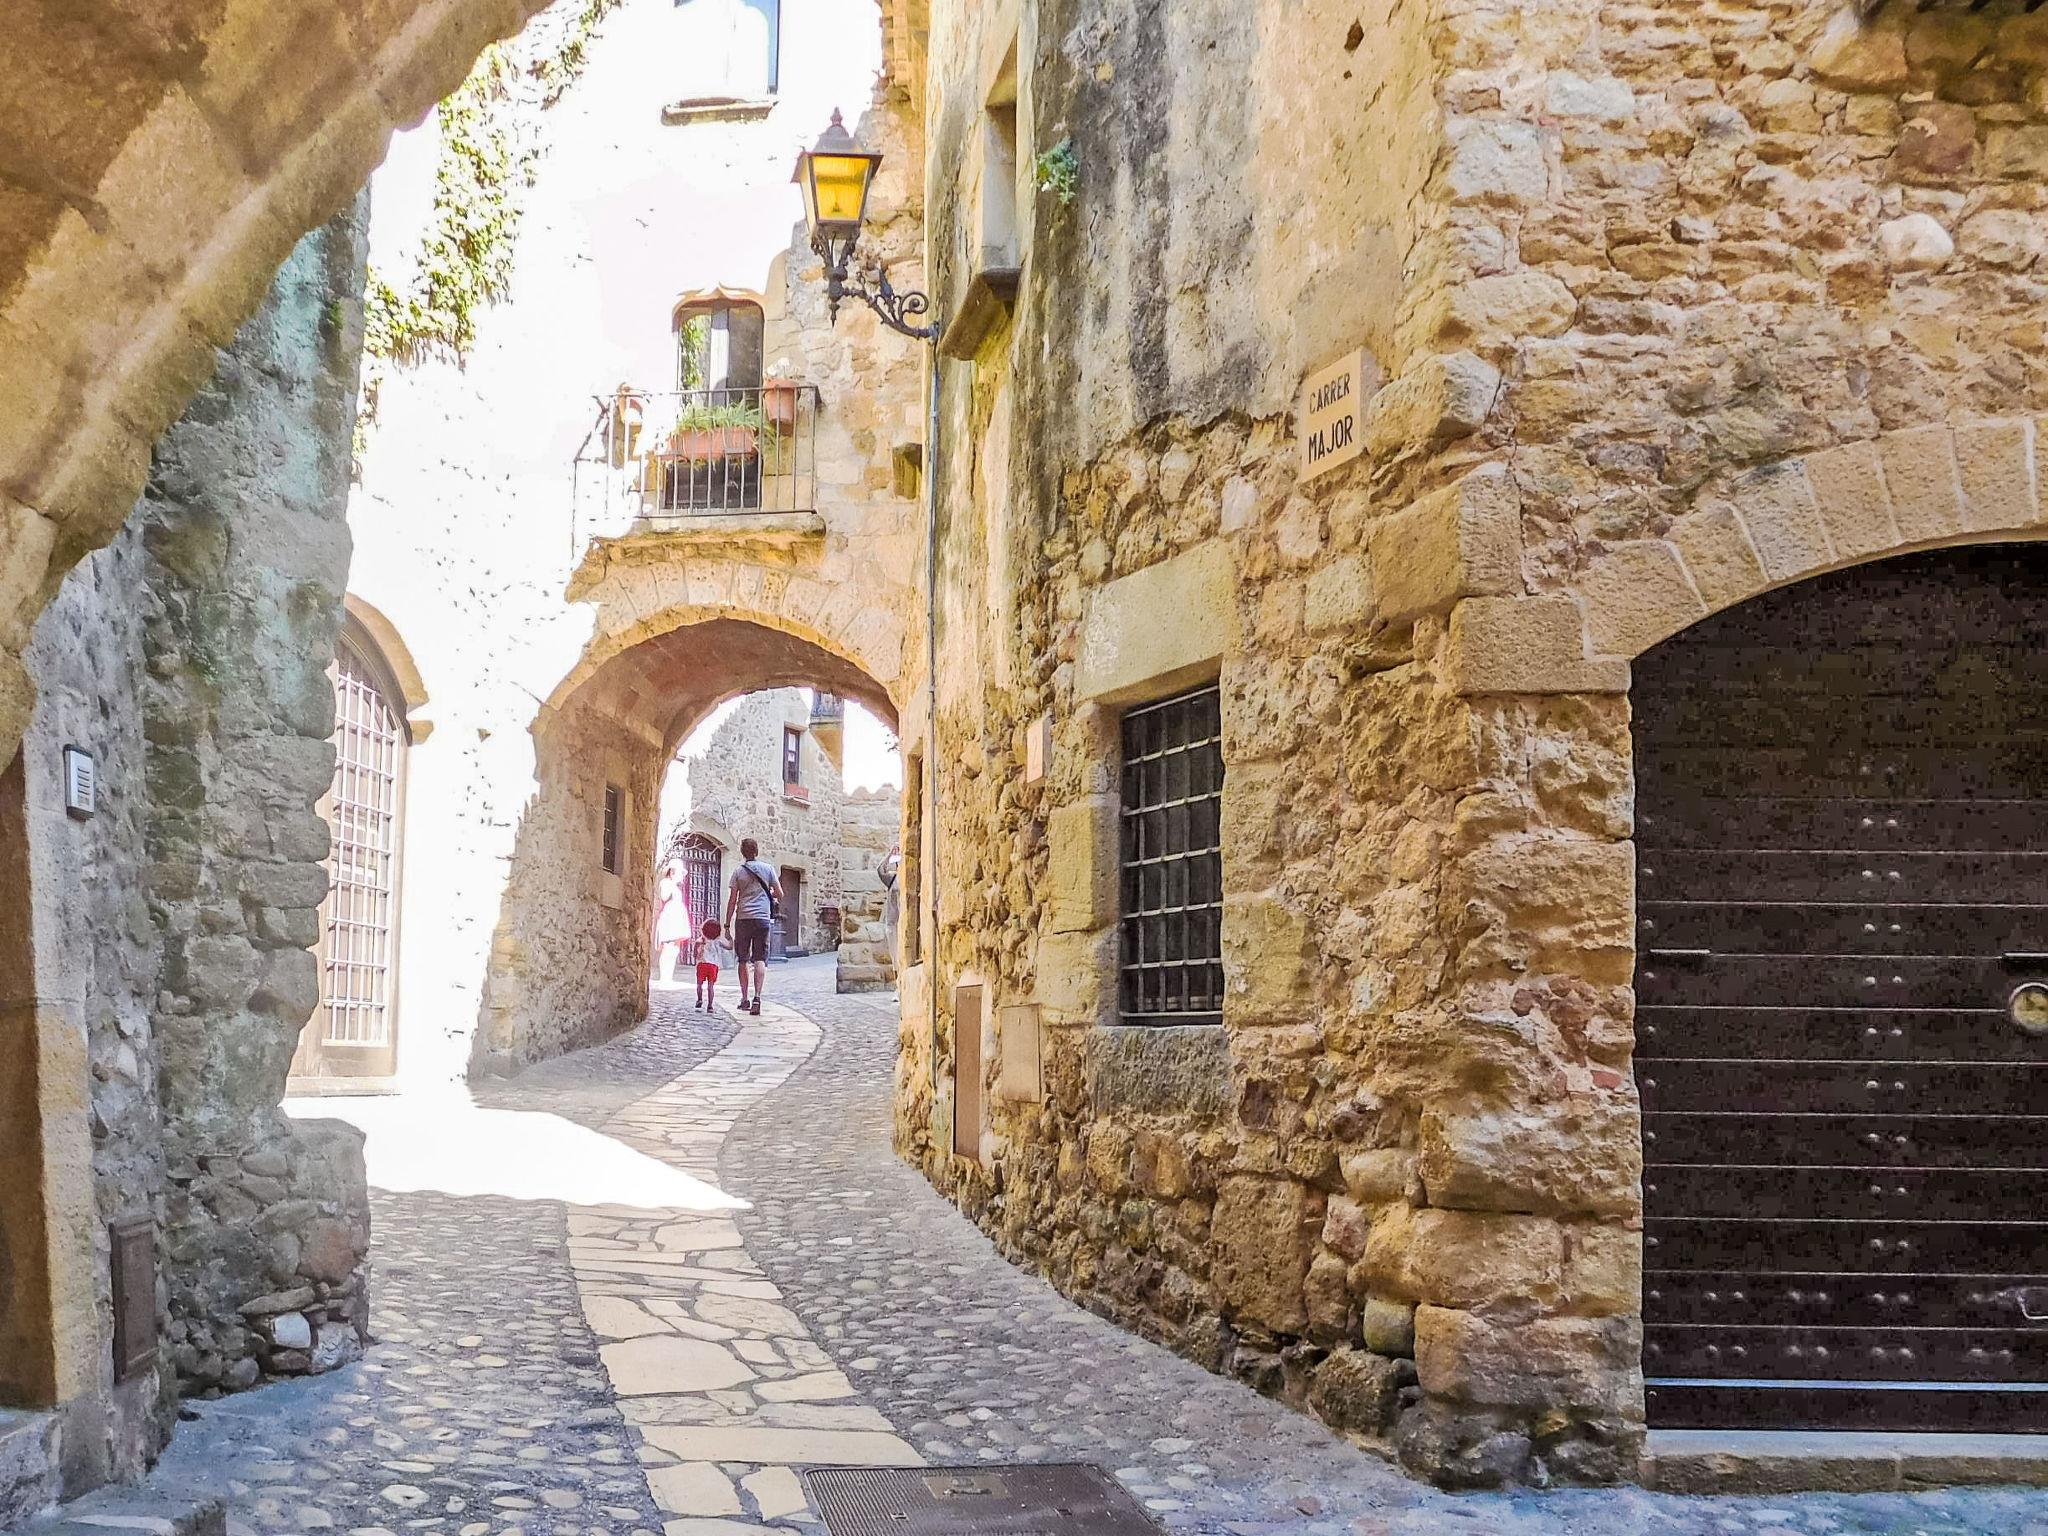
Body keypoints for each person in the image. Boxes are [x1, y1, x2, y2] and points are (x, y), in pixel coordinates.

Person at [722, 836, 784, 1016]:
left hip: (743, 918)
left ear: (742, 853)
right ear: (756, 851)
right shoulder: (768, 869)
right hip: (762, 918)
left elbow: (732, 900)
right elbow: (780, 893)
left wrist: (727, 924)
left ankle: (744, 998)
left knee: (742, 959)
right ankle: (757, 997)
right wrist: (769, 894)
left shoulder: (738, 872)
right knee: (760, 958)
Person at [653, 858, 691, 985]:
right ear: (673, 872)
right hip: (669, 917)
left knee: (674, 948)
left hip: (676, 917)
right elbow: (664, 897)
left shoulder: (676, 886)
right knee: (668, 948)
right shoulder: (666, 883)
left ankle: (669, 976)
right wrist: (673, 884)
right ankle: (664, 977)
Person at [695, 918, 730, 1011]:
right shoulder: (718, 941)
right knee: (710, 986)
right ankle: (710, 1005)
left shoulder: (700, 940)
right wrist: (730, 937)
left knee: (699, 984)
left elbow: (695, 954)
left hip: (702, 964)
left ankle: (699, 999)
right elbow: (729, 947)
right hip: (713, 966)